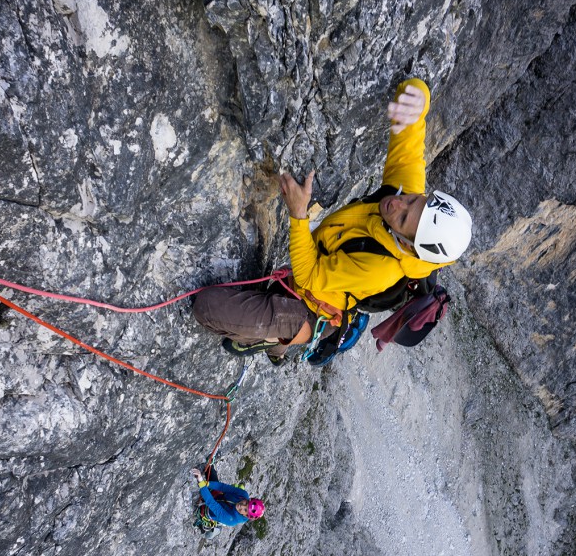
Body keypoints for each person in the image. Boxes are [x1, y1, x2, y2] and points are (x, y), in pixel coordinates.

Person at [192, 78, 472, 364]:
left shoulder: (381, 269)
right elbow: (410, 140)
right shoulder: (408, 202)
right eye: (413, 200)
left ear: (409, 246)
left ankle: (273, 341)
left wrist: (298, 215)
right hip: (320, 276)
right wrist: (418, 96)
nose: (397, 203)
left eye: (401, 217)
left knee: (206, 307)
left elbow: (310, 275)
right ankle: (277, 341)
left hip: (312, 308)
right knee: (260, 306)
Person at [191, 466, 265, 541]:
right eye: (246, 503)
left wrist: (201, 481)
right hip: (217, 496)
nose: (242, 506)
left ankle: (212, 528)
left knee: (200, 513)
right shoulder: (243, 494)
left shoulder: (232, 520)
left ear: (246, 515)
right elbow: (223, 487)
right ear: (248, 499)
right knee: (210, 468)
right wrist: (207, 484)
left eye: (245, 510)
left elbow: (212, 503)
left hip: (208, 510)